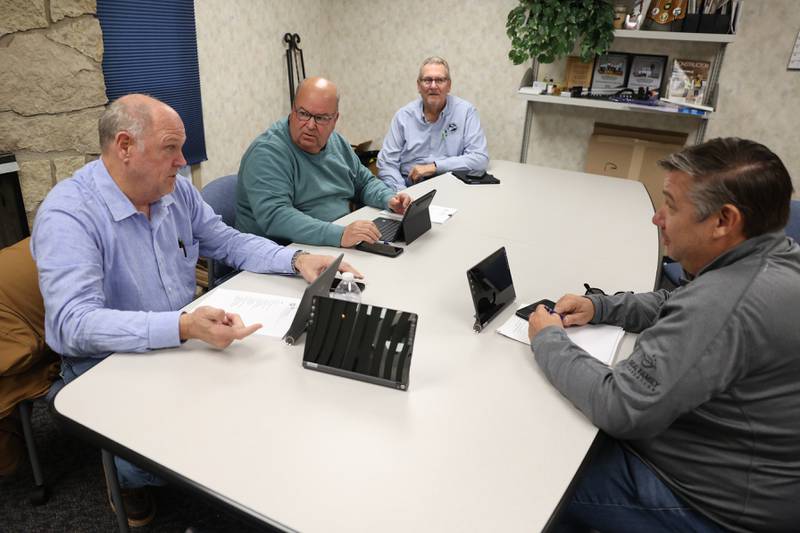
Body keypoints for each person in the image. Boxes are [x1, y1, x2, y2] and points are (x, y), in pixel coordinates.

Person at [31, 94, 357, 527]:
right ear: (125, 147)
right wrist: (182, 327)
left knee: (266, 392)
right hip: (110, 362)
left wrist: (296, 259)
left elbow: (227, 240)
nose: (183, 162)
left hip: (182, 339)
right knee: (171, 462)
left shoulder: (174, 190)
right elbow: (73, 324)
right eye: (171, 148)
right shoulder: (69, 214)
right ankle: (126, 478)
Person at [528, 138, 800, 532]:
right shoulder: (772, 256)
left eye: (671, 205)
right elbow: (680, 298)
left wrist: (547, 339)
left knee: (538, 469)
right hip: (746, 474)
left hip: (707, 507)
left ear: (724, 221)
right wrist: (603, 307)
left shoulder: (723, 303)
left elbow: (619, 406)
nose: (657, 218)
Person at [236, 77, 411, 248]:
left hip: (331, 240)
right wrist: (340, 235)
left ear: (335, 119)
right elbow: (276, 217)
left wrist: (389, 199)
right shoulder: (267, 153)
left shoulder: (337, 143)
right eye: (303, 114)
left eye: (321, 118)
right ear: (292, 110)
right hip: (282, 253)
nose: (310, 125)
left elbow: (364, 183)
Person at [376, 56, 489, 191]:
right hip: (408, 186)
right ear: (418, 85)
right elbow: (386, 163)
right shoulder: (403, 116)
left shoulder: (466, 112)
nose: (433, 86)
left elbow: (479, 158)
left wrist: (435, 167)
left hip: (451, 188)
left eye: (440, 80)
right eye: (427, 80)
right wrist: (402, 193)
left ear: (449, 85)